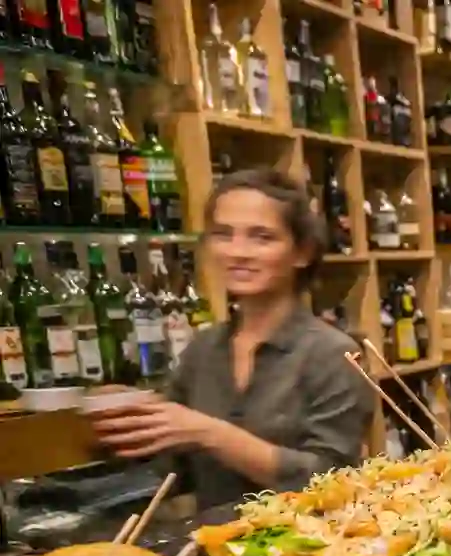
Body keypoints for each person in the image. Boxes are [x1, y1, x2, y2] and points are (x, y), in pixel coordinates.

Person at [91, 169, 374, 510]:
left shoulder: (333, 354)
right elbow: (171, 471)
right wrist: (133, 416)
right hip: (216, 550)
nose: (237, 252)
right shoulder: (203, 350)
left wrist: (211, 433)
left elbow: (334, 480)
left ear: (303, 253)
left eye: (262, 237)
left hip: (310, 549)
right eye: (223, 234)